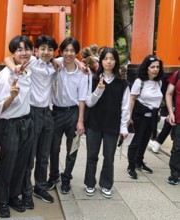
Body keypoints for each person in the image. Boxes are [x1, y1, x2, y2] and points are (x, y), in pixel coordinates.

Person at [4, 35, 58, 206]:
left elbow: (74, 61)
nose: (46, 52)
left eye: (50, 49)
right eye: (42, 48)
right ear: (36, 50)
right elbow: (7, 57)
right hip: (32, 112)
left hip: (48, 113)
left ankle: (40, 187)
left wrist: (60, 61)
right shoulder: (32, 62)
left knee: (44, 155)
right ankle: (25, 190)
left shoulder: (54, 65)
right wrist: (15, 69)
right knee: (30, 156)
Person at [0, 35, 34, 218]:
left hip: (27, 121)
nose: (24, 52)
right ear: (13, 52)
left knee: (21, 163)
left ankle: (13, 195)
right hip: (10, 124)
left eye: (27, 48)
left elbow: (10, 58)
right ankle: (1, 200)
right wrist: (11, 96)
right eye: (19, 49)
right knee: (7, 164)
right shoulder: (5, 76)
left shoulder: (28, 67)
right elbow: (0, 110)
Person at [84, 47, 130, 199]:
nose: (108, 61)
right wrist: (98, 90)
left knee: (108, 157)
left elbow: (125, 107)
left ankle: (106, 184)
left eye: (111, 58)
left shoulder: (122, 82)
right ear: (100, 60)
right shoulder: (93, 78)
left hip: (112, 124)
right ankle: (90, 183)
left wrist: (124, 127)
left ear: (116, 61)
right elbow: (89, 103)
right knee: (92, 155)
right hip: (94, 123)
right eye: (105, 58)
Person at [47, 37, 87, 194]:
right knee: (53, 147)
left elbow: (82, 98)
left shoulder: (83, 73)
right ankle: (54, 175)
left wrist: (81, 121)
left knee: (73, 148)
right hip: (56, 112)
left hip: (74, 113)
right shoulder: (56, 63)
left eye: (72, 51)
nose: (69, 54)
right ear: (61, 51)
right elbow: (45, 57)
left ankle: (66, 178)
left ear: (76, 53)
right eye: (66, 50)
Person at [127, 55, 163, 179]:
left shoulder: (159, 81)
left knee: (145, 140)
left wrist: (157, 113)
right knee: (136, 141)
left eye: (157, 67)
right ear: (146, 68)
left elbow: (158, 100)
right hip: (140, 116)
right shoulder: (139, 82)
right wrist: (129, 117)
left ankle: (139, 162)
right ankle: (131, 166)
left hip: (152, 117)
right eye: (152, 67)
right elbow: (132, 99)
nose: (155, 69)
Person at [165, 69, 180, 185]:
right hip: (179, 118)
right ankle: (175, 174)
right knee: (177, 148)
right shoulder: (177, 74)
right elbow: (169, 93)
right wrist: (170, 112)